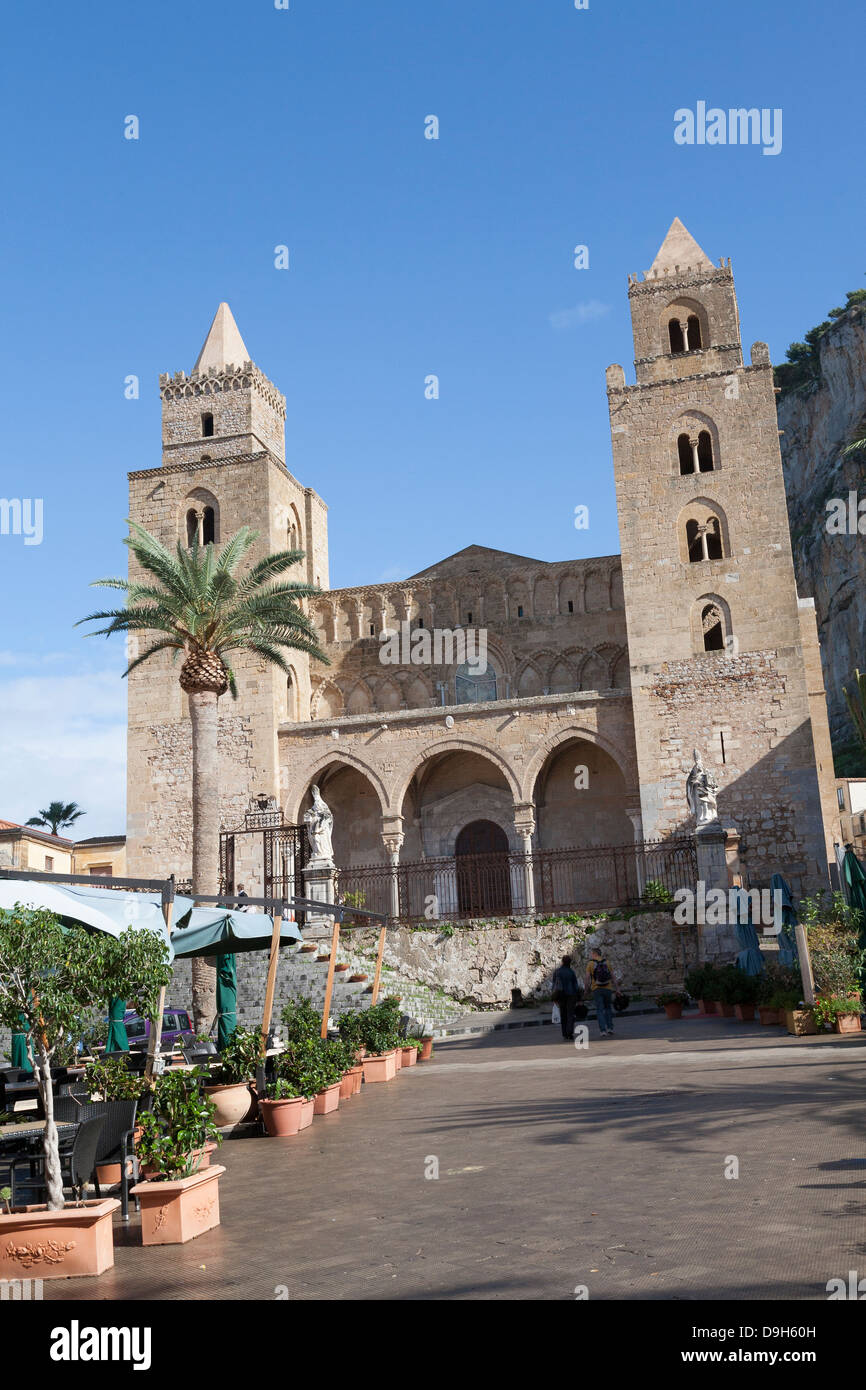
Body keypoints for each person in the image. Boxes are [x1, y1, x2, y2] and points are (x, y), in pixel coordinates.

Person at [585, 946, 620, 1038]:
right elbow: (613, 977)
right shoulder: (607, 962)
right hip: (608, 988)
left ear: (595, 954)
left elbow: (587, 978)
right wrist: (617, 989)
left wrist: (586, 989)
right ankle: (610, 1028)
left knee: (600, 1010)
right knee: (608, 1008)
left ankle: (603, 1030)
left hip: (596, 989)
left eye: (591, 954)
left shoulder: (590, 964)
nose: (591, 955)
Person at [551, 954, 582, 1041]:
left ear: (562, 962)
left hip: (560, 995)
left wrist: (554, 998)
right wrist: (579, 998)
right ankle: (570, 1032)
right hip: (571, 995)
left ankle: (564, 1033)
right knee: (570, 1014)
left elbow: (554, 985)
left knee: (563, 1014)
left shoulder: (557, 972)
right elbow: (576, 985)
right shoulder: (571, 972)